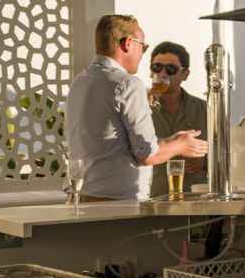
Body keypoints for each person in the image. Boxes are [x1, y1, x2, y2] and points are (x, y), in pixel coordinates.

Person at [66, 14, 207, 200]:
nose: (142, 55)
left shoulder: (80, 80)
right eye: (143, 47)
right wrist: (181, 144)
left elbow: (116, 144)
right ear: (127, 44)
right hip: (115, 201)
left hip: (80, 195)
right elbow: (146, 155)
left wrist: (171, 141)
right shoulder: (128, 84)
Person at [147, 41, 208, 197]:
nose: (162, 74)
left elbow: (223, 150)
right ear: (150, 71)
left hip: (195, 199)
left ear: (185, 74)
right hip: (154, 197)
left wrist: (205, 161)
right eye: (157, 67)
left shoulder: (204, 109)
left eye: (171, 69)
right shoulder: (139, 107)